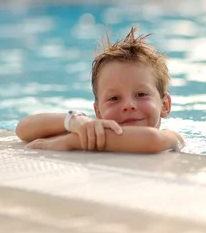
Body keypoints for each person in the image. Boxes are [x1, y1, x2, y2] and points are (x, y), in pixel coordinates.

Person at [15, 27, 185, 154]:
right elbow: (23, 129)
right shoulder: (93, 131)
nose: (128, 105)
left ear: (165, 105)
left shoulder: (173, 138)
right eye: (113, 98)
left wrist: (70, 142)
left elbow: (152, 140)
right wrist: (74, 121)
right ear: (98, 111)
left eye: (141, 94)